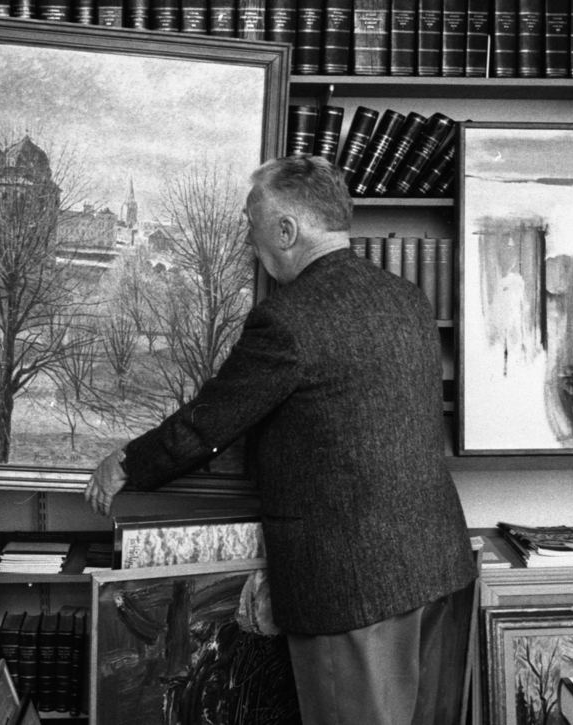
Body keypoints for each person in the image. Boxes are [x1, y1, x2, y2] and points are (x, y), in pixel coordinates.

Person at [85, 154, 477, 725]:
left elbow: (209, 421)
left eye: (252, 224)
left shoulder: (287, 319)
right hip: (438, 566)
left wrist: (125, 464)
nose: (248, 240)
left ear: (287, 230)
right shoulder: (406, 298)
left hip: (353, 590)